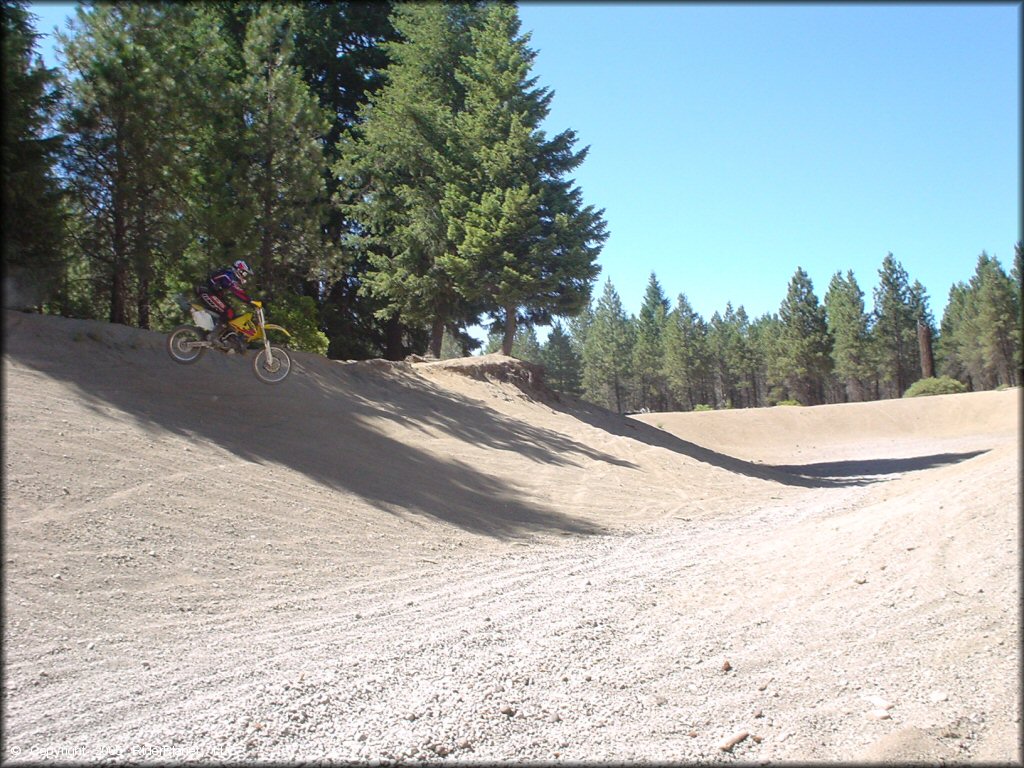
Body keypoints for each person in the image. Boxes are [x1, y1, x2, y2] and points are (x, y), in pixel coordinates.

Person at [196, 259, 255, 349]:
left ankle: (223, 335)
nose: (245, 276)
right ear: (239, 270)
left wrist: (248, 301)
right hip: (206, 292)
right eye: (244, 273)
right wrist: (250, 301)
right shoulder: (228, 275)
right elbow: (236, 291)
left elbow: (235, 291)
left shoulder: (230, 275)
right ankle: (213, 336)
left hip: (211, 293)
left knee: (231, 312)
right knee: (229, 312)